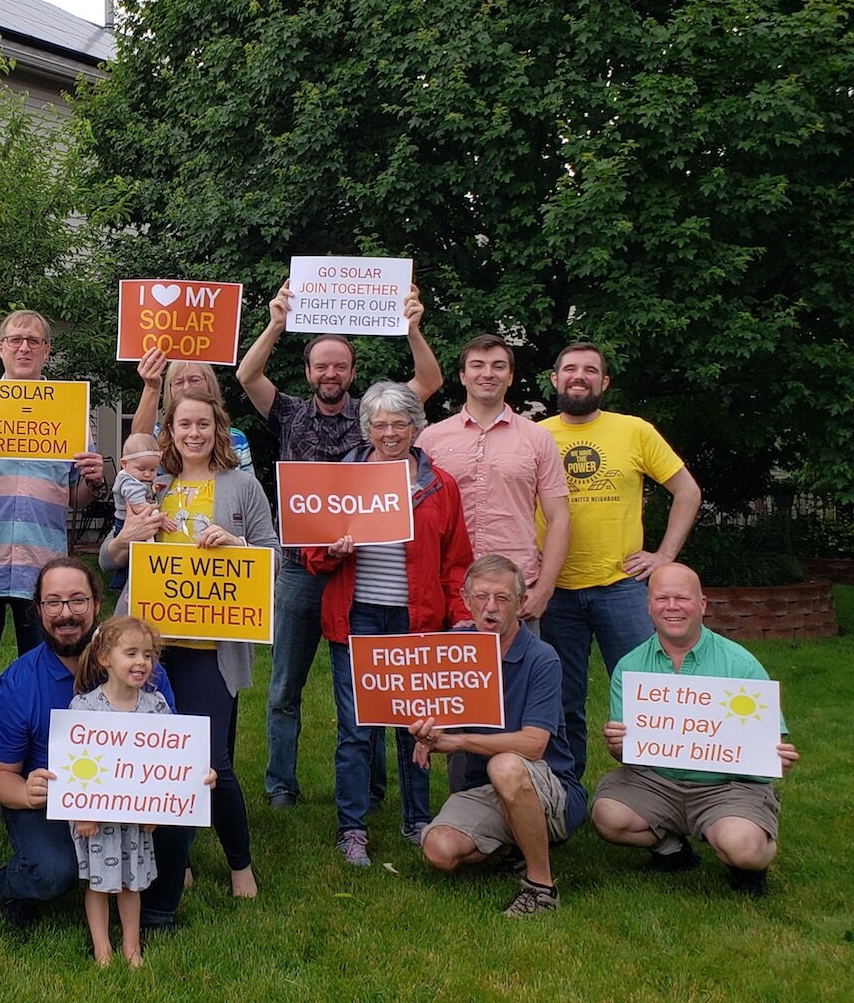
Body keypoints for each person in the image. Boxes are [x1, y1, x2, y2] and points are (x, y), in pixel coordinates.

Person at [237, 281, 440, 808]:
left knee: (368, 688)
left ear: (352, 372)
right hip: (300, 568)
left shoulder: (374, 416)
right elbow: (246, 375)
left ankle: (370, 789)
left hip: (366, 566)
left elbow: (429, 380)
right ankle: (281, 783)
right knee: (284, 686)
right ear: (308, 373)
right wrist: (278, 320)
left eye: (339, 366)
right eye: (321, 366)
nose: (330, 374)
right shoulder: (287, 413)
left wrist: (413, 326)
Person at [99, 389, 279, 898]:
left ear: (217, 428)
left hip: (210, 647)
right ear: (170, 433)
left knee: (211, 762)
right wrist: (127, 535)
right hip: (148, 647)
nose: (193, 433)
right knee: (154, 756)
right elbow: (109, 561)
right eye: (183, 425)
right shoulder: (150, 485)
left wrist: (241, 546)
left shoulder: (242, 486)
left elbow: (275, 559)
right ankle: (173, 860)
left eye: (203, 424)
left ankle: (239, 863)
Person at [301, 381, 473, 867]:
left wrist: (460, 617)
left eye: (400, 423)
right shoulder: (343, 477)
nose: (391, 432)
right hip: (355, 617)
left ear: (416, 427)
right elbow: (312, 552)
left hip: (416, 620)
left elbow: (456, 560)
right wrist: (330, 551)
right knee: (356, 729)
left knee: (415, 727)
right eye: (381, 424)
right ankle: (352, 828)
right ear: (367, 428)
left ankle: (418, 819)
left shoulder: (439, 485)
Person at [0, 309, 108, 832]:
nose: (24, 348)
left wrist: (93, 476)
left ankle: (54, 786)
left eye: (34, 341)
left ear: (47, 352)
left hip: (44, 573)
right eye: (15, 340)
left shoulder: (73, 413)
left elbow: (76, 497)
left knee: (50, 685)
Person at [0, 557, 188, 934]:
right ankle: (14, 885)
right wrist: (28, 793)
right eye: (54, 603)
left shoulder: (142, 670)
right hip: (50, 803)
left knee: (178, 809)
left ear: (96, 604)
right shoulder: (19, 683)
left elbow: (172, 750)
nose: (66, 613)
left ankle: (158, 912)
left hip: (132, 796)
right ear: (39, 610)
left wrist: (189, 778)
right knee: (53, 872)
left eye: (77, 600)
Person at [540, 342, 703, 779]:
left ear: (604, 382)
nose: (579, 376)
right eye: (569, 369)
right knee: (559, 702)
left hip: (623, 588)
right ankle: (564, 798)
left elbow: (688, 492)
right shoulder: (534, 434)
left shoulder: (634, 431)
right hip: (553, 591)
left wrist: (665, 557)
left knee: (647, 697)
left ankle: (659, 798)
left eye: (590, 370)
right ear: (554, 380)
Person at [591, 563, 797, 896]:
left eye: (682, 598)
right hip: (657, 781)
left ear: (702, 605)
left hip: (727, 784)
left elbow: (767, 745)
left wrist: (776, 759)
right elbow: (630, 752)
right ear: (648, 606)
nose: (672, 607)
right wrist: (617, 746)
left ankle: (748, 860)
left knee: (743, 847)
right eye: (662, 598)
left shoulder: (740, 664)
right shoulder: (630, 667)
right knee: (607, 815)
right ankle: (673, 849)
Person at [411, 555, 586, 918]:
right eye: (481, 597)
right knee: (438, 849)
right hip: (482, 789)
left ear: (521, 604)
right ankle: (514, 847)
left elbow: (534, 745)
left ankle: (541, 888)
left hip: (548, 788)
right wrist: (427, 734)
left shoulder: (542, 658)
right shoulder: (454, 647)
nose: (490, 608)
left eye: (502, 599)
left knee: (506, 765)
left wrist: (458, 742)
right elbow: (441, 710)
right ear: (466, 598)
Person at [416, 334, 570, 624]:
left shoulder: (537, 438)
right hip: (448, 587)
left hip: (515, 589)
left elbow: (559, 517)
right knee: (453, 669)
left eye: (498, 366)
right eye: (477, 365)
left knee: (518, 668)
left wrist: (545, 590)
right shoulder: (431, 438)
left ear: (510, 377)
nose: (487, 373)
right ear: (463, 376)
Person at [68, 616, 172, 968]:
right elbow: (74, 762)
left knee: (133, 884)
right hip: (95, 820)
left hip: (136, 820)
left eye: (148, 654)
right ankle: (102, 949)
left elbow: (168, 763)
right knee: (97, 883)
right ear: (105, 659)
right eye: (131, 653)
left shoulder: (157, 707)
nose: (141, 662)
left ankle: (132, 947)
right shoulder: (84, 708)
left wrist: (158, 809)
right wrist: (82, 810)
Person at [132, 353, 254, 473]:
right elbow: (139, 444)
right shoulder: (160, 436)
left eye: (194, 380)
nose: (186, 387)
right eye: (178, 382)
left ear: (209, 384)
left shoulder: (236, 440)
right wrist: (151, 387)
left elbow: (248, 491)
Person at [113, 432, 162, 514]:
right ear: (124, 464)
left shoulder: (135, 477)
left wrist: (152, 488)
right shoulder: (130, 483)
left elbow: (142, 491)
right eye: (141, 469)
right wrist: (157, 515)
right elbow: (139, 507)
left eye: (152, 469)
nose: (147, 474)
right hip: (128, 521)